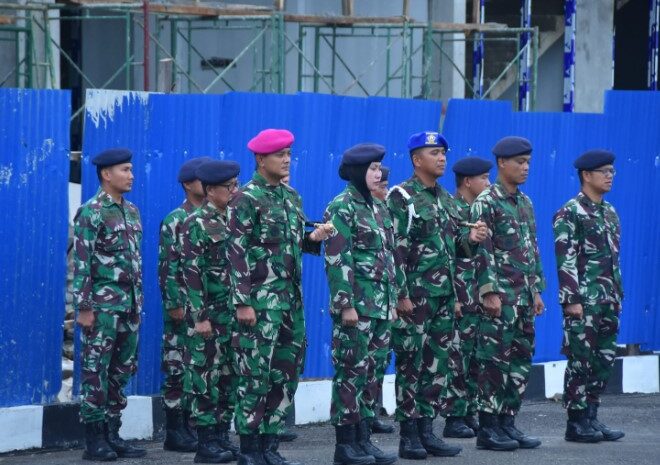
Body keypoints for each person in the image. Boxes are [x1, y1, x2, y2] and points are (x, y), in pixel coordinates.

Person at [227, 129, 331, 465]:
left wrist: (312, 236)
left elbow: (291, 242)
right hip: (258, 305)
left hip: (290, 304)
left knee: (285, 375)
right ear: (260, 159)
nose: (286, 159)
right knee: (255, 375)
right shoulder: (245, 199)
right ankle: (249, 449)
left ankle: (269, 447)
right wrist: (242, 302)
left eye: (288, 153)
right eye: (279, 154)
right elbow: (237, 252)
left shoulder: (291, 198)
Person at [387, 132, 487, 460]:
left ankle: (428, 431)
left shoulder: (445, 199)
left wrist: (469, 236)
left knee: (436, 366)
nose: (442, 158)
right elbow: (396, 250)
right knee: (411, 364)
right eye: (434, 153)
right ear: (417, 160)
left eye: (443, 152)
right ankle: (409, 435)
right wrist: (400, 295)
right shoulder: (402, 196)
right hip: (415, 298)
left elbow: (455, 244)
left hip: (443, 296)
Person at [324, 144, 399, 465]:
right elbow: (338, 257)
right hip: (357, 308)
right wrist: (346, 305)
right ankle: (346, 444)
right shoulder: (342, 207)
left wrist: (394, 301)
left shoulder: (378, 208)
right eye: (372, 168)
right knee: (351, 373)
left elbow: (390, 258)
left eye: (380, 168)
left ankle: (364, 439)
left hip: (381, 307)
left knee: (372, 374)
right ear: (357, 171)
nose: (378, 173)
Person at [470, 136, 545, 451]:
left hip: (524, 298)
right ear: (502, 163)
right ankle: (488, 428)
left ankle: (507, 423)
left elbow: (532, 250)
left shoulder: (524, 203)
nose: (525, 168)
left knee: (519, 360)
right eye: (519, 162)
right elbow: (481, 251)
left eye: (528, 162)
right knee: (494, 362)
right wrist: (489, 292)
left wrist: (537, 291)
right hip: (500, 298)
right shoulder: (485, 201)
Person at [72, 148, 146, 461]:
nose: (130, 175)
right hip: (102, 307)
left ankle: (113, 432)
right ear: (106, 174)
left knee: (121, 370)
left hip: (128, 305)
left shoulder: (131, 211)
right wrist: (84, 307)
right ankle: (94, 439)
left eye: (130, 170)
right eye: (125, 170)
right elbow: (82, 262)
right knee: (95, 369)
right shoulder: (92, 211)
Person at [553, 149, 625, 443]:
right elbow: (565, 258)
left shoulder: (609, 212)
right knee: (580, 360)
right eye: (604, 171)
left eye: (612, 171)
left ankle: (592, 416)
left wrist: (618, 294)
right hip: (584, 302)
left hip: (608, 298)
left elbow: (613, 259)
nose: (610, 176)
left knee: (603, 360)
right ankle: (576, 421)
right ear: (586, 175)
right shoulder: (570, 212)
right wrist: (572, 300)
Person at [181, 159, 242, 463]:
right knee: (205, 375)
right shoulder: (196, 223)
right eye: (229, 187)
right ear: (209, 190)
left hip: (232, 313)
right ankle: (205, 443)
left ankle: (221, 435)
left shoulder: (235, 219)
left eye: (236, 185)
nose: (235, 191)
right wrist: (199, 316)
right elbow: (192, 273)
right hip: (209, 314)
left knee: (229, 376)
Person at [158, 156, 211, 453]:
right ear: (189, 184)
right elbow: (169, 268)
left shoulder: (214, 217)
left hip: (205, 307)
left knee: (200, 368)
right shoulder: (175, 220)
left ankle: (192, 425)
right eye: (203, 179)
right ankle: (174, 430)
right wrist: (174, 304)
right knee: (177, 366)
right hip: (183, 309)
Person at [442, 156, 493, 439]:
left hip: (475, 295)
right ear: (467, 181)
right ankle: (454, 416)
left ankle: (468, 410)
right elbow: (449, 256)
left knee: (474, 357)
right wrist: (456, 298)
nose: (488, 183)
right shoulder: (453, 211)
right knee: (456, 359)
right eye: (484, 178)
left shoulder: (477, 213)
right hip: (459, 296)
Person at [367, 165, 395, 435]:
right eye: (380, 184)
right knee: (360, 365)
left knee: (379, 360)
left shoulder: (383, 212)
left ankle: (372, 413)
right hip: (365, 303)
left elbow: (391, 261)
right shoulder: (352, 209)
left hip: (384, 301)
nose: (384, 189)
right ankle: (361, 421)